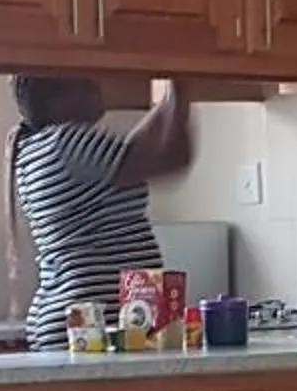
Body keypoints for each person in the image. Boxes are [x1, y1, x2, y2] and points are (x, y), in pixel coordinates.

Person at [10, 76, 194, 350]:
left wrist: (171, 93)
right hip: (93, 321)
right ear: (57, 100)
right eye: (85, 82)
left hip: (74, 317)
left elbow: (135, 150)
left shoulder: (41, 146)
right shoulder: (68, 142)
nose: (97, 87)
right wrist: (184, 89)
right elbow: (172, 158)